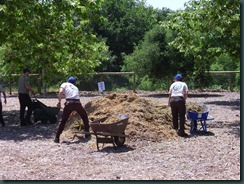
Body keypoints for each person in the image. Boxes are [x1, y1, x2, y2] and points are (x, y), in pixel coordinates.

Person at [54, 76, 90, 143]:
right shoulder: (76, 88)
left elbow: (61, 92)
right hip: (77, 103)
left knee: (63, 120)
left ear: (68, 81)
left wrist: (59, 102)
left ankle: (57, 137)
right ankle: (87, 133)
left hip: (69, 103)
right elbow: (74, 97)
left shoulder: (64, 84)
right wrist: (73, 109)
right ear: (74, 83)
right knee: (84, 117)